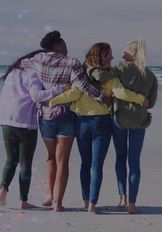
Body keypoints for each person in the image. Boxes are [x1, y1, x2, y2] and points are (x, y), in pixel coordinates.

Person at [49, 42, 149, 213]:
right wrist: (141, 99)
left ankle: (86, 200)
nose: (112, 57)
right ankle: (92, 205)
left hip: (83, 124)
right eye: (110, 54)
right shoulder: (111, 77)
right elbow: (122, 93)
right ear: (103, 56)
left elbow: (72, 94)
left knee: (85, 164)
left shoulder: (82, 76)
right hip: (102, 123)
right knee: (96, 166)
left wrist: (52, 101)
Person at [24, 31, 108, 212]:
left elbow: (22, 65)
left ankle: (49, 194)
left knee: (50, 157)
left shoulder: (37, 59)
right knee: (63, 161)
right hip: (65, 116)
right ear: (57, 46)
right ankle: (58, 204)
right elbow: (82, 85)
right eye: (63, 43)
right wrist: (101, 96)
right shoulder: (72, 63)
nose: (67, 47)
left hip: (45, 115)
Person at [0, 49, 68, 209]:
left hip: (6, 121)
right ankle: (23, 200)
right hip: (25, 124)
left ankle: (3, 189)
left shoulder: (13, 71)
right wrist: (60, 89)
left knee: (10, 160)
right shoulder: (32, 74)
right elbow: (37, 96)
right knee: (25, 163)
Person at [111, 40, 158, 214]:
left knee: (120, 158)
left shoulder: (120, 68)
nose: (122, 55)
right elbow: (151, 103)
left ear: (133, 52)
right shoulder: (150, 75)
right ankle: (132, 203)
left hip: (120, 120)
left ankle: (122, 196)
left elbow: (111, 87)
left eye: (125, 52)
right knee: (135, 161)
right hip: (139, 121)